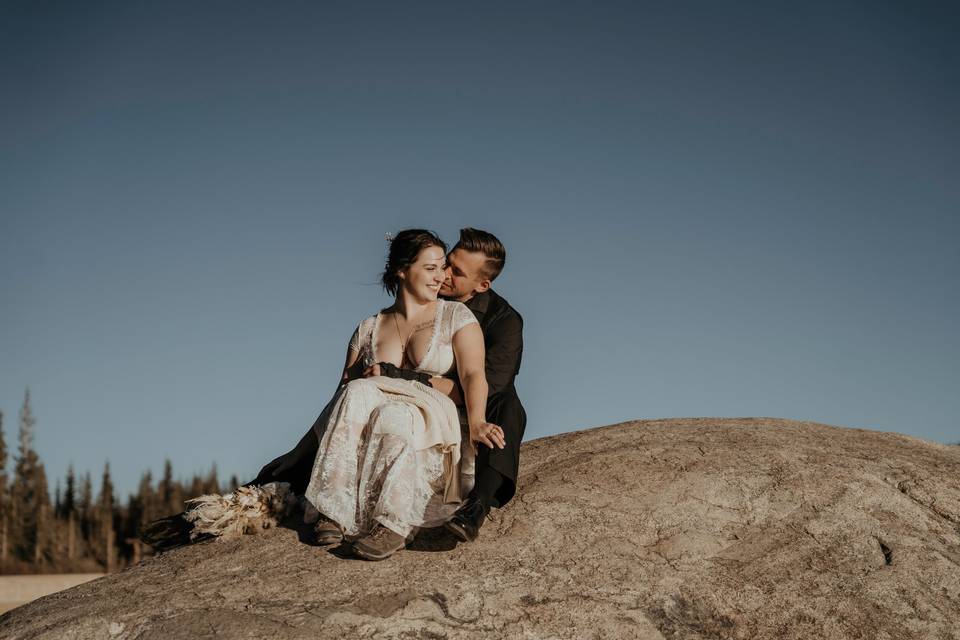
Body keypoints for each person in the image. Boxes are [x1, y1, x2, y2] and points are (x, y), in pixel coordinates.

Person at [258, 227, 525, 543]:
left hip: (462, 404)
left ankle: (477, 505)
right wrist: (301, 450)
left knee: (508, 404)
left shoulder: (502, 321)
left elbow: (484, 383)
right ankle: (326, 506)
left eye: (456, 271)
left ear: (482, 285)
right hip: (393, 404)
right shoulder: (412, 303)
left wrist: (403, 378)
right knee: (360, 400)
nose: (444, 274)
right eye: (444, 263)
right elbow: (343, 394)